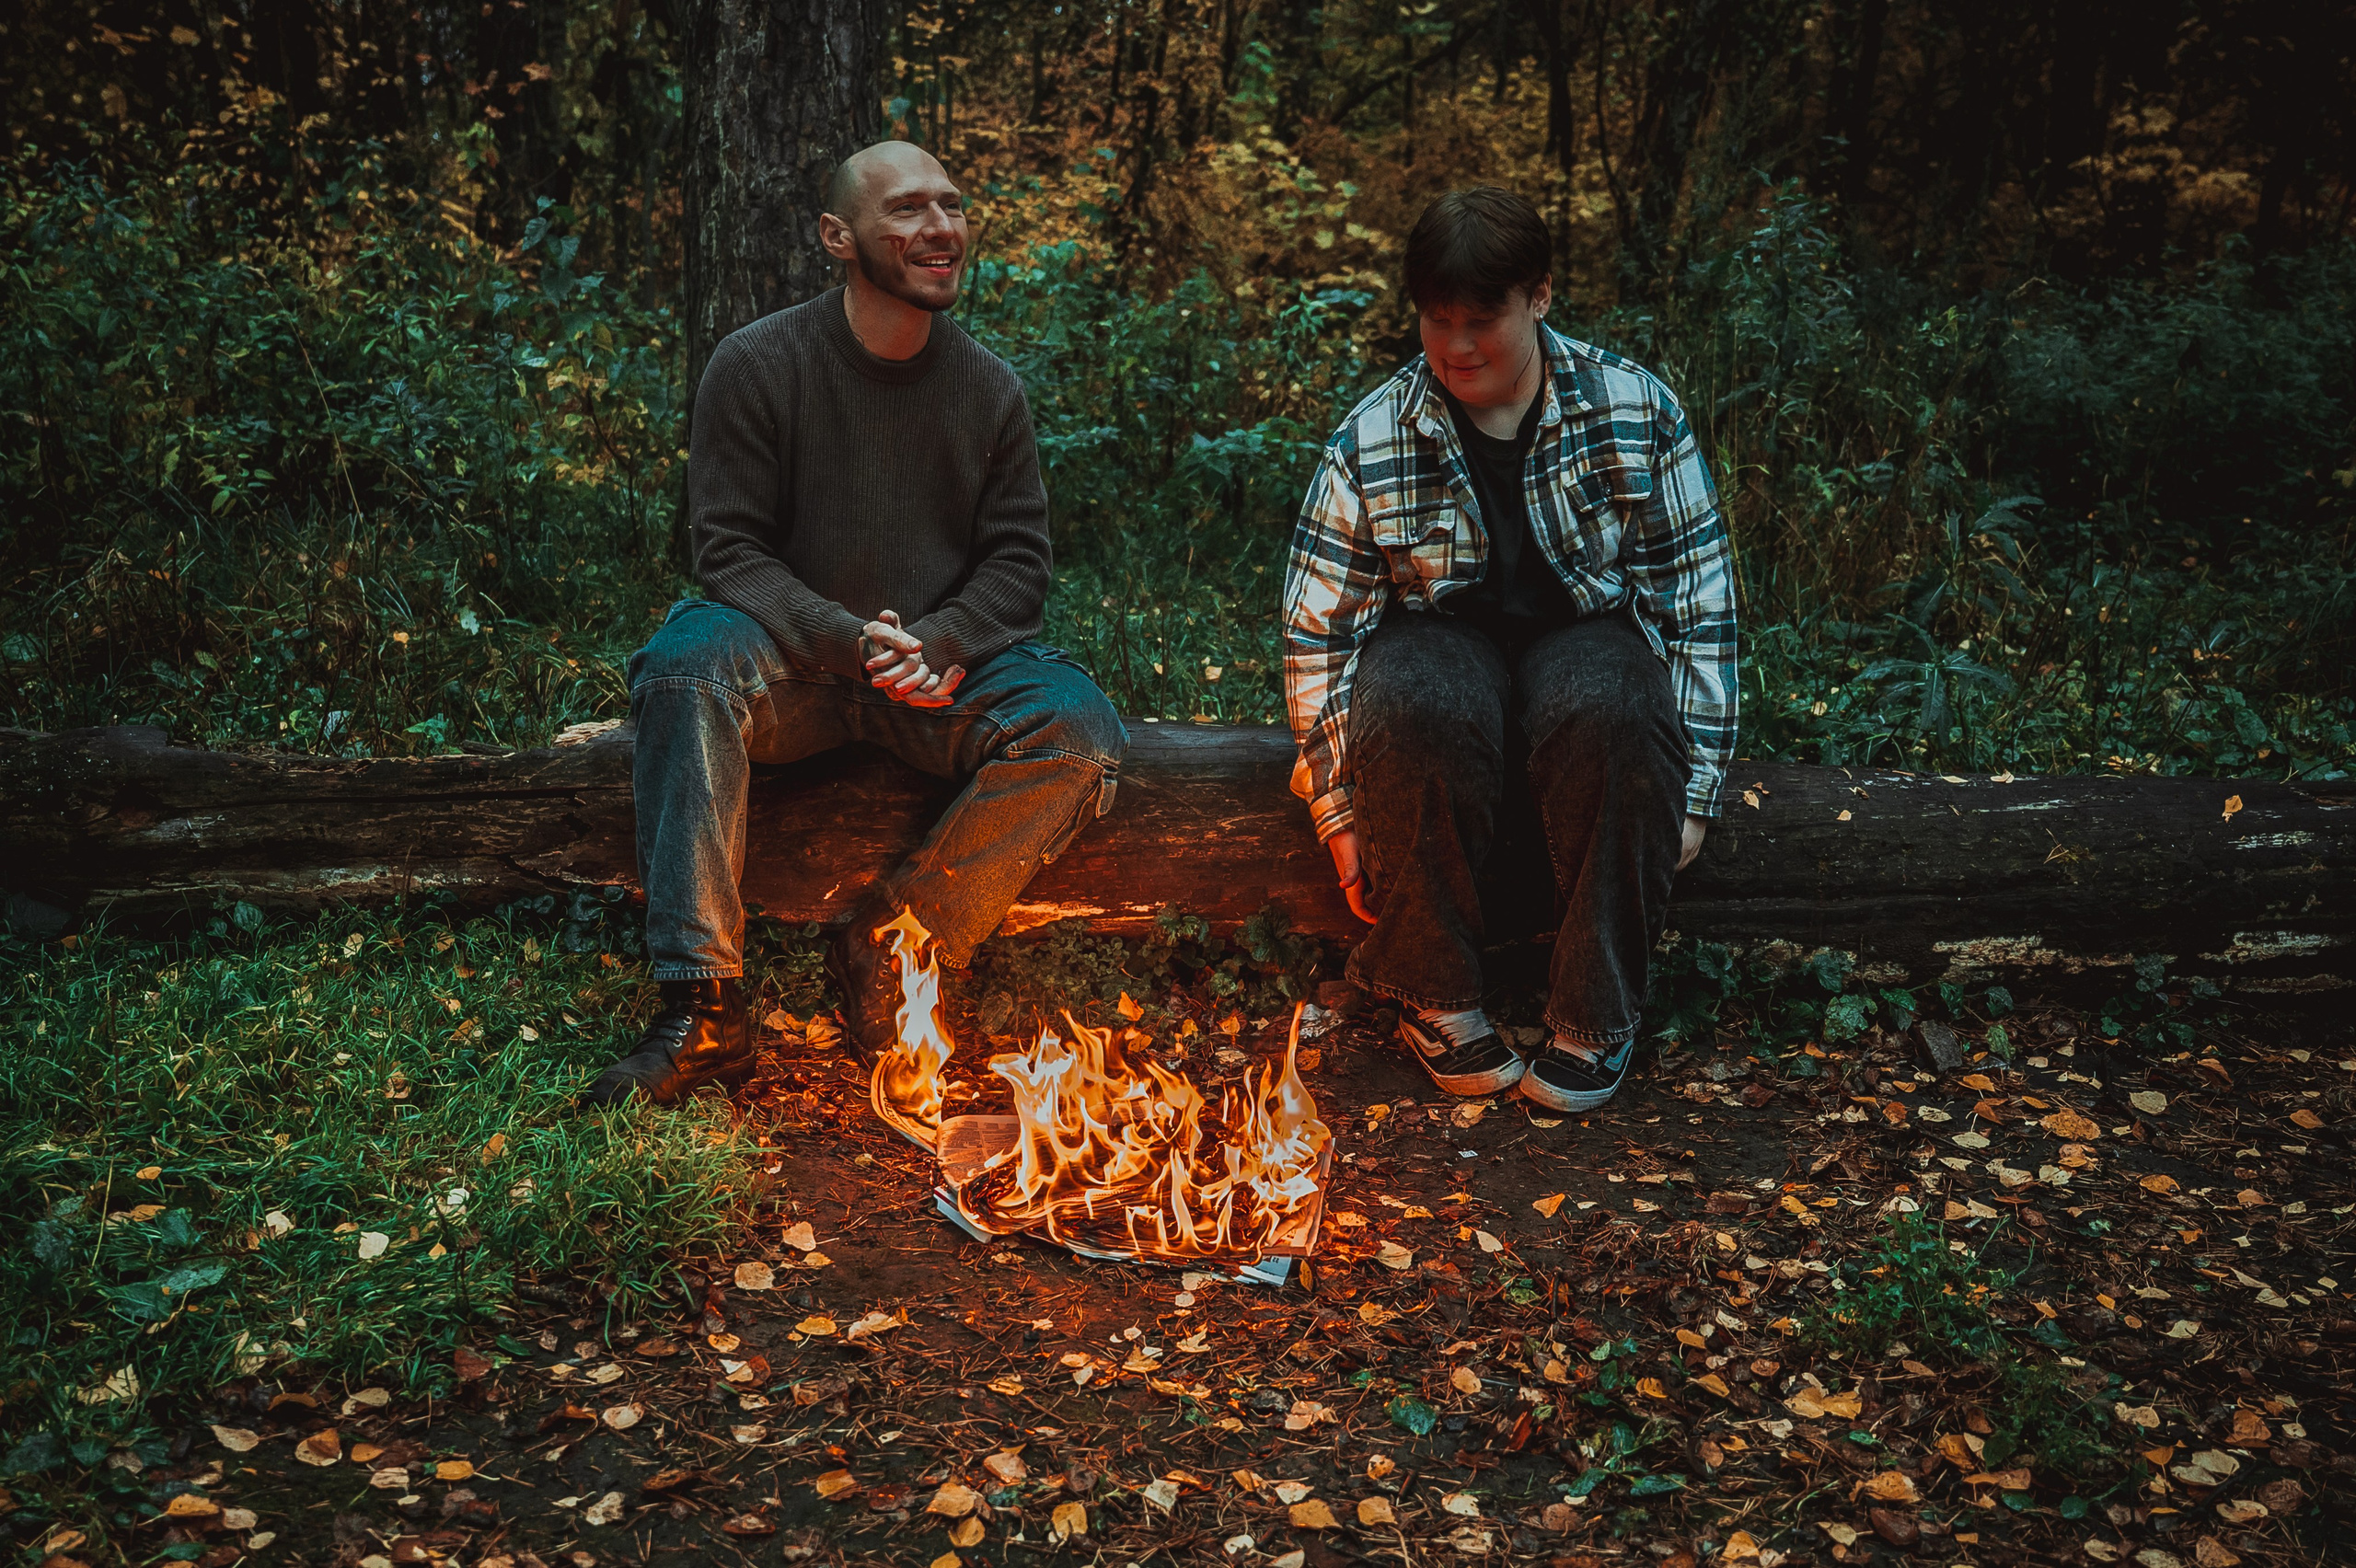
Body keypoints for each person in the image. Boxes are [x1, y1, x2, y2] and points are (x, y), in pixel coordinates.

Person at [587, 141, 1127, 1106]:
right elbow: (730, 551)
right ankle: (703, 1009)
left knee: (1081, 732)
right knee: (682, 667)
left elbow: (1018, 562)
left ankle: (892, 942)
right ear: (838, 237)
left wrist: (944, 641)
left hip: (936, 674)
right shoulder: (756, 364)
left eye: (952, 207)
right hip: (793, 666)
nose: (940, 229)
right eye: (908, 211)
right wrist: (850, 639)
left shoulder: (988, 389)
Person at [1282, 186, 1736, 1113]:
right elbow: (1320, 634)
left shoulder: (1634, 409)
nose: (1455, 346)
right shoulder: (1370, 438)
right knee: (1413, 701)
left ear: (1540, 295)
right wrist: (1337, 805)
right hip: (1441, 638)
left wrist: (1690, 798)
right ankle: (1436, 998)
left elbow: (1697, 605)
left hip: (1585, 633)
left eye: (1481, 318)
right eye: (1435, 320)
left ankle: (1596, 1015)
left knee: (1615, 705)